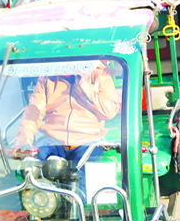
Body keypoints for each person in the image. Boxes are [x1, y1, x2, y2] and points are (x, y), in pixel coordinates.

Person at [11, 63, 121, 199]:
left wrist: (85, 85)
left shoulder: (100, 74)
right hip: (54, 139)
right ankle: (39, 205)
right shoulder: (48, 77)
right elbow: (34, 110)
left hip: (87, 140)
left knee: (82, 177)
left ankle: (84, 210)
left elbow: (109, 111)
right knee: (34, 166)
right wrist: (24, 142)